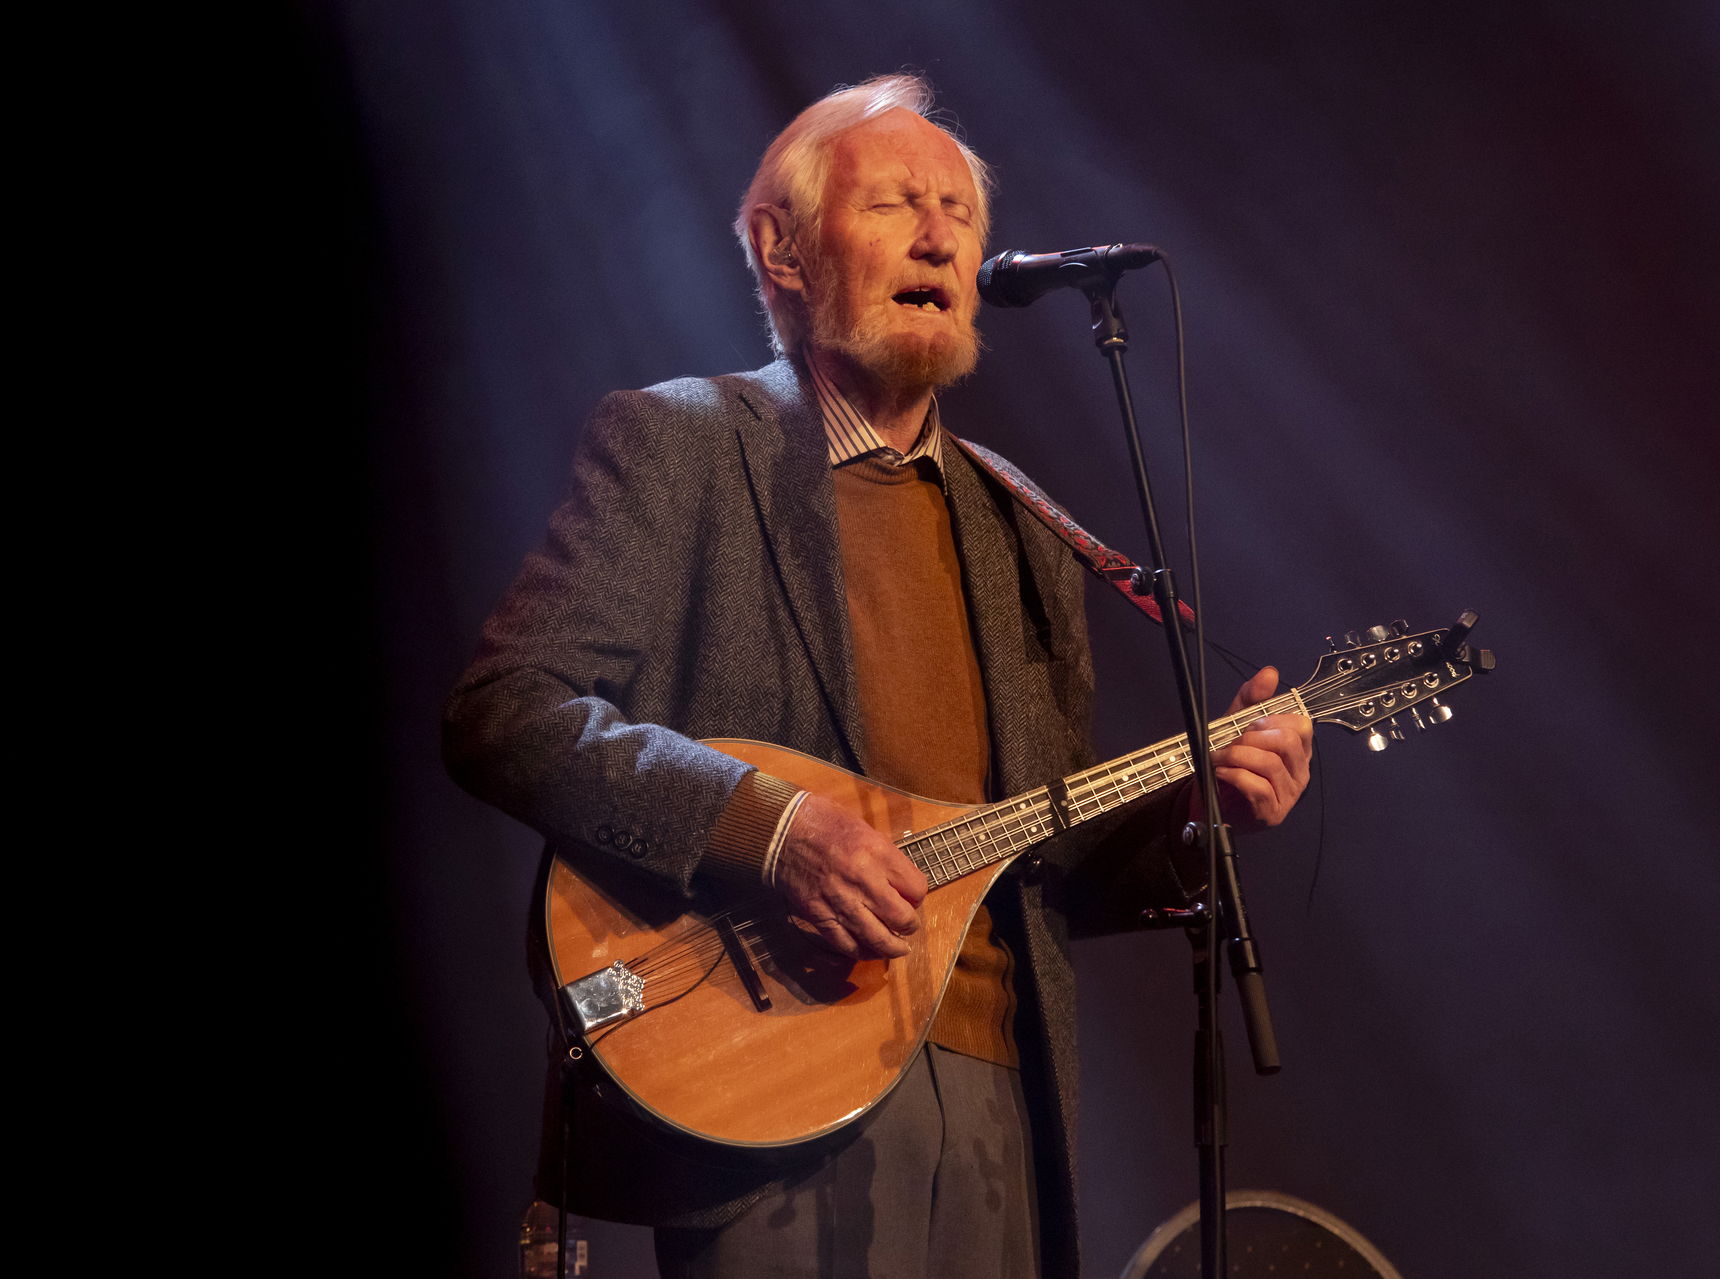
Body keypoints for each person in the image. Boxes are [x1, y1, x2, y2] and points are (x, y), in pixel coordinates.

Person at [444, 74, 1313, 1279]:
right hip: (766, 1076)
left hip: (1006, 1095)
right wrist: (770, 826)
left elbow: (1034, 857)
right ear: (783, 249)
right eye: (899, 202)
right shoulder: (684, 443)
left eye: (959, 211)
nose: (942, 234)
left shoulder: (1029, 532)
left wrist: (1196, 806)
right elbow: (505, 712)